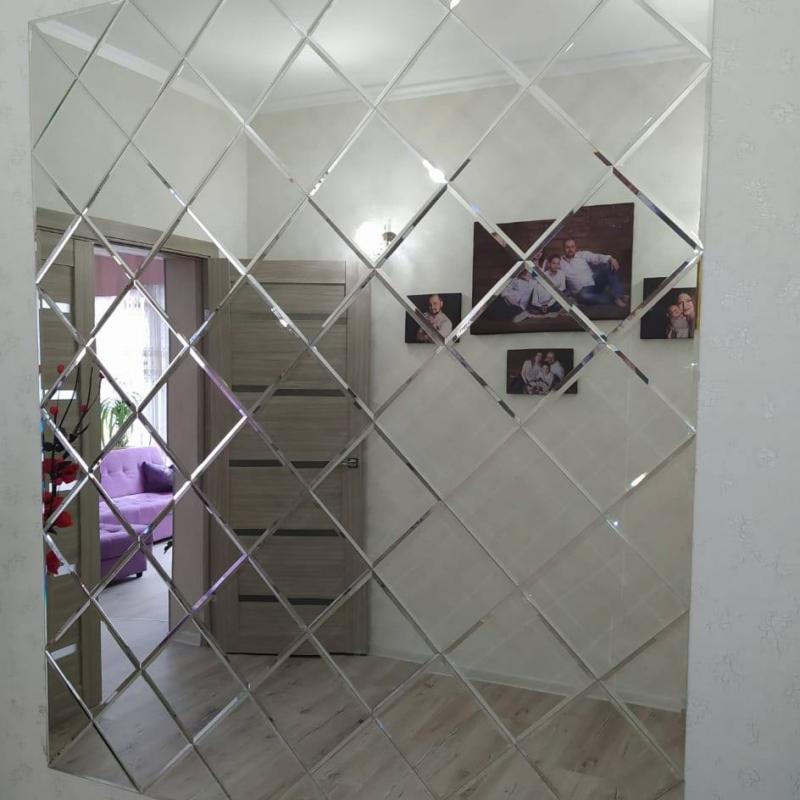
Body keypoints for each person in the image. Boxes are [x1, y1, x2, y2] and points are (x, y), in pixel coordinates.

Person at [561, 238, 629, 308]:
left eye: (572, 247)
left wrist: (610, 259)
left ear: (575, 247)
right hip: (582, 291)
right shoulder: (559, 263)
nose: (570, 249)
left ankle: (617, 295)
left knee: (608, 267)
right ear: (563, 248)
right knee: (584, 296)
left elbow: (596, 257)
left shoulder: (581, 255)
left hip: (594, 282)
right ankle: (615, 298)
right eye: (567, 247)